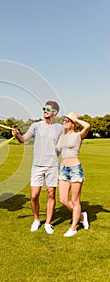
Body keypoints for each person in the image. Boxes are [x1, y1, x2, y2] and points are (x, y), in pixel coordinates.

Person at [13, 101, 63, 234]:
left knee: (51, 194)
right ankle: (36, 220)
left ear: (55, 112)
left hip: (52, 165)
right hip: (37, 165)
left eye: (47, 109)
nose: (45, 111)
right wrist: (18, 134)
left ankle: (47, 223)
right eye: (43, 108)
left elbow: (65, 143)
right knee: (34, 195)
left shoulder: (60, 128)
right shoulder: (36, 126)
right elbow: (23, 139)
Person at [56, 112, 90, 237]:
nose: (64, 122)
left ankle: (73, 228)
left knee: (75, 200)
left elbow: (87, 126)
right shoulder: (62, 137)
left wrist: (75, 118)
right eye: (64, 120)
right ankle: (82, 216)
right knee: (63, 200)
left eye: (67, 120)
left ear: (73, 123)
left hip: (75, 169)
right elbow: (57, 151)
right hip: (63, 169)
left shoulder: (78, 135)